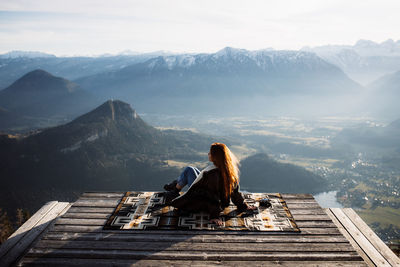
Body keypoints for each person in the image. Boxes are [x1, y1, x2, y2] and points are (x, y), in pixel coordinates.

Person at [163, 142, 256, 225]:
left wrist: (214, 216)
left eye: (210, 153)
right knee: (191, 169)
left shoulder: (213, 174)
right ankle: (175, 187)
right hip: (214, 200)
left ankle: (175, 188)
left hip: (203, 202)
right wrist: (242, 206)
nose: (208, 154)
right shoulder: (229, 171)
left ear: (216, 156)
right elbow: (235, 192)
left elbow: (213, 196)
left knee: (189, 170)